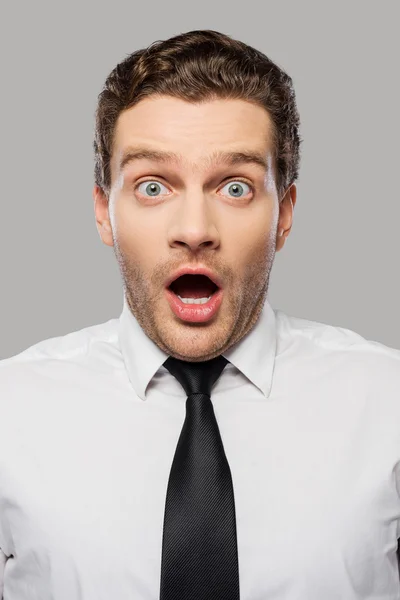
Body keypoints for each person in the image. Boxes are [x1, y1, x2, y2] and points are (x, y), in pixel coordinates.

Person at [0, 28, 399, 600]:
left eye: (235, 187)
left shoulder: (389, 406)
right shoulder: (9, 413)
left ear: (283, 214)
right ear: (103, 212)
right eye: (153, 186)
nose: (193, 230)